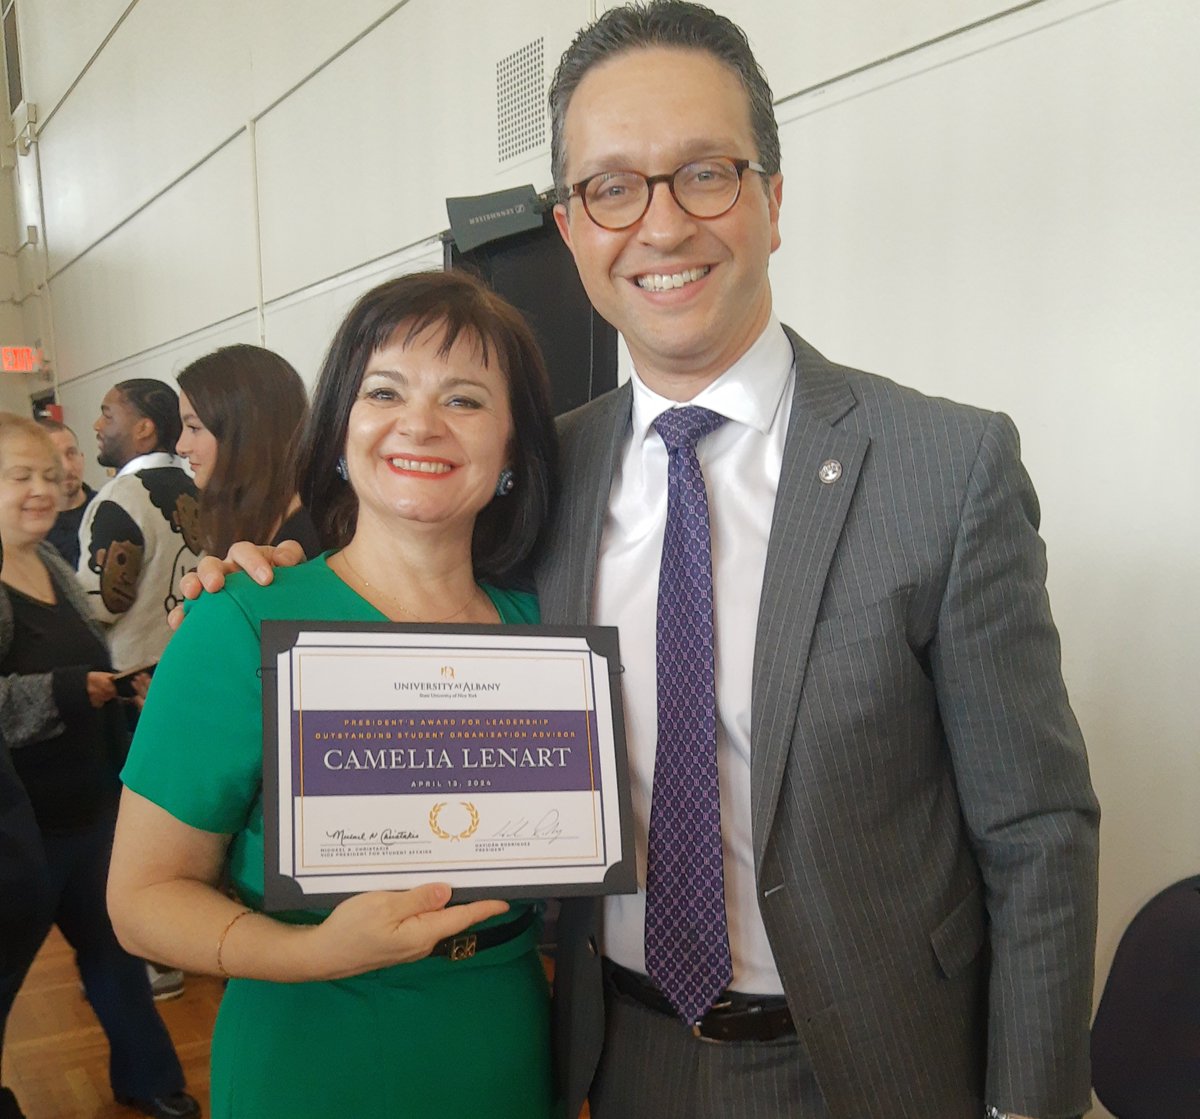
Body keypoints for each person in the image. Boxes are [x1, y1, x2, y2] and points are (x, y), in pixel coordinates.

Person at [182, 5, 1100, 1117]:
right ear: (571, 228)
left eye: (705, 173)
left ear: (771, 198)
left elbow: (1037, 830)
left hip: (876, 1060)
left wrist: (1027, 1104)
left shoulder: (943, 467)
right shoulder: (536, 470)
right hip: (615, 1057)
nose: (661, 227)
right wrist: (268, 570)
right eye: (613, 188)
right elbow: (413, 587)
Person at [107, 269, 559, 1119]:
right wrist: (312, 952)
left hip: (503, 1042)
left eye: (464, 399)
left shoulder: (548, 633)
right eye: (384, 390)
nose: (419, 422)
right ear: (341, 432)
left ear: (511, 452)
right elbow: (139, 901)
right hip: (314, 1051)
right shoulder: (240, 619)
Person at [0, 414, 198, 1119]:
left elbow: (83, 660)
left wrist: (115, 690)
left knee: (116, 952)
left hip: (87, 808)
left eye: (49, 476)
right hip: (21, 831)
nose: (41, 490)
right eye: (18, 476)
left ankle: (149, 1076)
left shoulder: (46, 563)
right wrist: (66, 689)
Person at [78, 379, 202, 673]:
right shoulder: (197, 489)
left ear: (144, 428)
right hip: (190, 661)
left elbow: (101, 606)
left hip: (131, 680)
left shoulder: (120, 498)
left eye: (108, 415)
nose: (97, 425)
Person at [176, 344, 322, 557]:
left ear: (246, 430)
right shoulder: (250, 518)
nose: (181, 447)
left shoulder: (312, 537)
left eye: (194, 428)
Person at [37, 419, 95, 569]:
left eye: (71, 454)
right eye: (53, 457)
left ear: (82, 457)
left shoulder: (109, 509)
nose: (67, 467)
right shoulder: (31, 526)